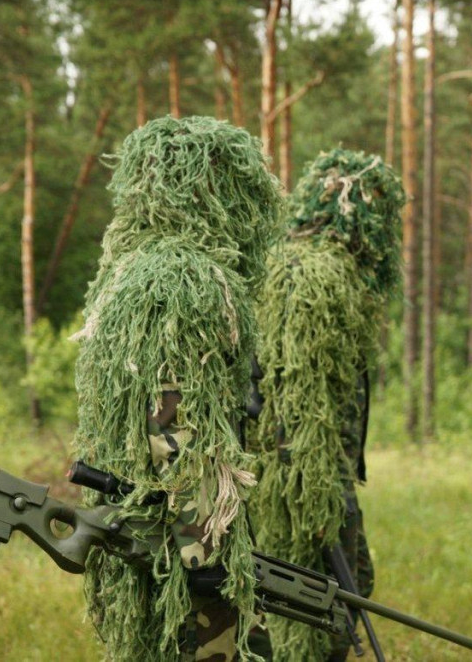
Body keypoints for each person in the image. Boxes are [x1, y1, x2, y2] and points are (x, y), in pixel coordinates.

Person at [72, 116, 282, 661]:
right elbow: (175, 423)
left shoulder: (123, 279)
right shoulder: (189, 283)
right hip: (180, 544)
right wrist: (207, 553)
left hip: (138, 536)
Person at [249, 149, 405, 662]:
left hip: (313, 475)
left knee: (341, 595)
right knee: (320, 611)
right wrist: (317, 501)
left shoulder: (323, 271)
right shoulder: (315, 276)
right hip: (305, 483)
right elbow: (295, 402)